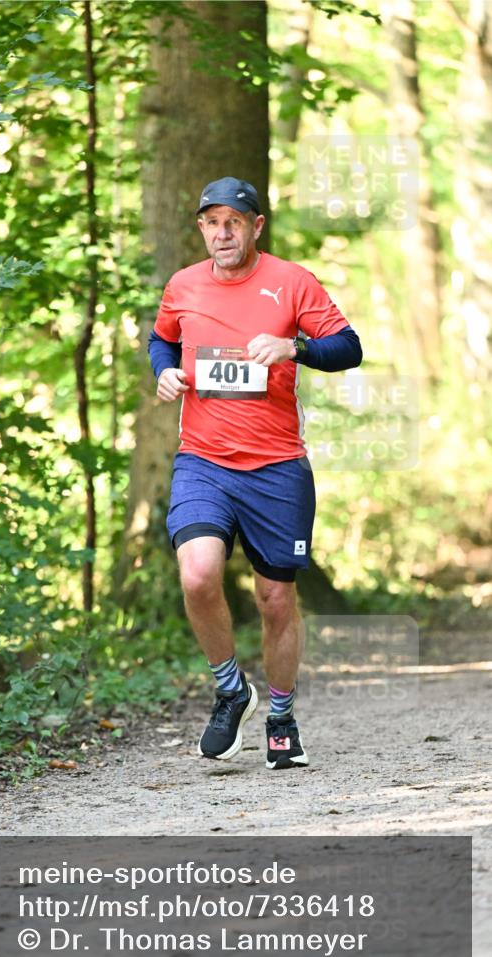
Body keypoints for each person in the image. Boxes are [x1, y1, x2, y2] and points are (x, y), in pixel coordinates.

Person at [148, 176, 362, 770]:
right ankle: (229, 688)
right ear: (201, 228)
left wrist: (295, 348)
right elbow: (161, 340)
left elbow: (349, 347)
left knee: (274, 599)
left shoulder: (291, 282)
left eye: (234, 222)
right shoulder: (183, 286)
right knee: (196, 575)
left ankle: (282, 716)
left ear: (255, 226)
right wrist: (163, 373)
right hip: (204, 461)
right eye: (212, 222)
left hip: (277, 468)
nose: (222, 232)